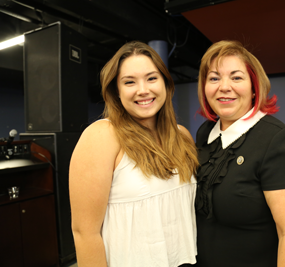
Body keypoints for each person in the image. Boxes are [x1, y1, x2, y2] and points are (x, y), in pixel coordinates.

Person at [69, 41, 199, 267]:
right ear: (116, 92)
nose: (143, 90)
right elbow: (85, 233)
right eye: (129, 82)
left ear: (166, 84)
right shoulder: (102, 136)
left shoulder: (183, 136)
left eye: (151, 78)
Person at [194, 40, 285, 267]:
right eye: (214, 78)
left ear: (254, 86)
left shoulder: (280, 141)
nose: (224, 86)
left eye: (236, 77)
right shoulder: (205, 133)